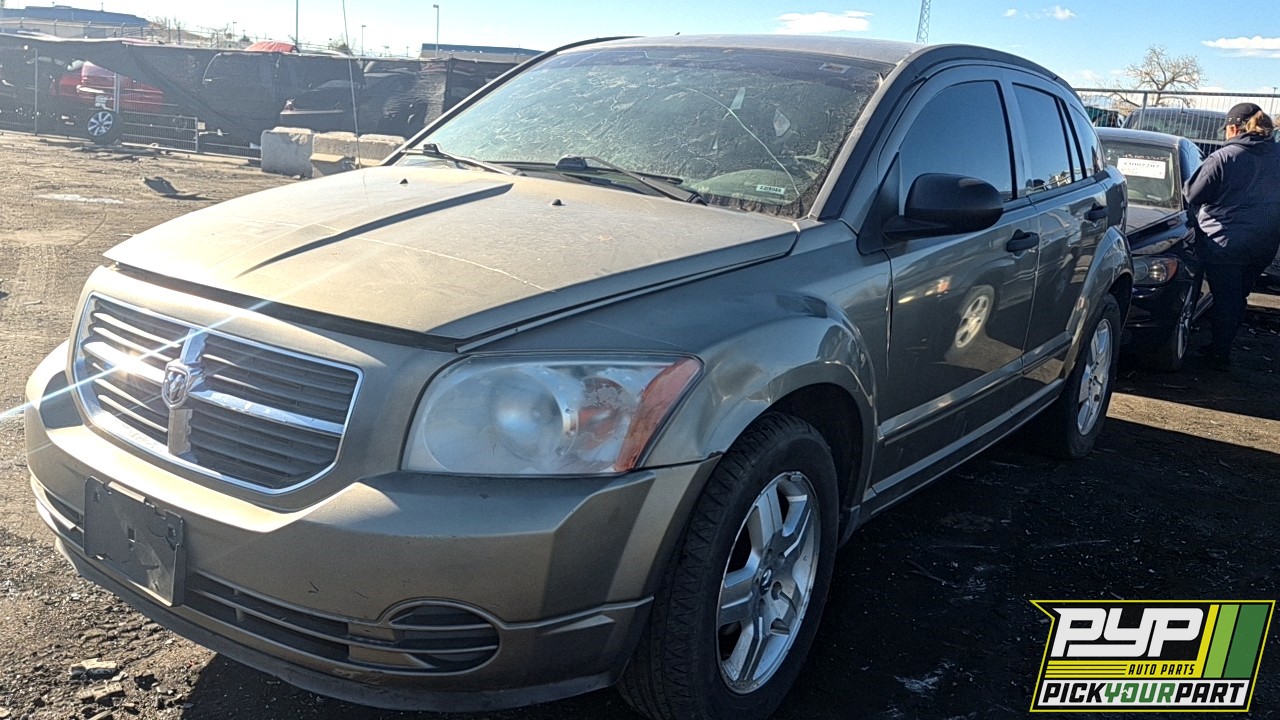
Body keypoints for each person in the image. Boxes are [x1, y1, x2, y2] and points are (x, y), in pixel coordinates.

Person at [1182, 102, 1280, 370]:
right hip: (1264, 242)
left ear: (1234, 128)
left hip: (1224, 241)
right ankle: (1222, 344)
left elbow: (1191, 194)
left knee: (1225, 297)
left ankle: (1220, 353)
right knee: (1238, 295)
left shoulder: (1224, 158)